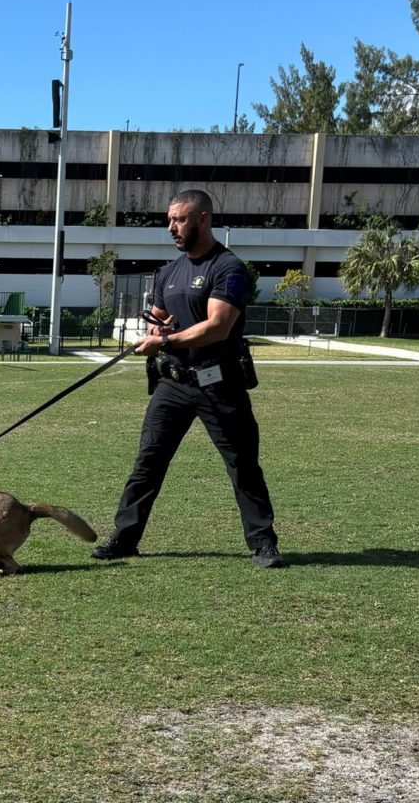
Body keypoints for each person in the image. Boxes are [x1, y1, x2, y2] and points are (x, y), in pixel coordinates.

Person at [91, 189, 284, 568]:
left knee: (243, 465)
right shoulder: (169, 272)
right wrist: (157, 330)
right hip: (173, 385)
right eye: (170, 220)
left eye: (179, 219)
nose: (171, 228)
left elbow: (218, 327)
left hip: (219, 384)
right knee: (147, 463)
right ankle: (124, 539)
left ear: (203, 219)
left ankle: (263, 544)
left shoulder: (227, 268)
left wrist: (164, 339)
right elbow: (160, 316)